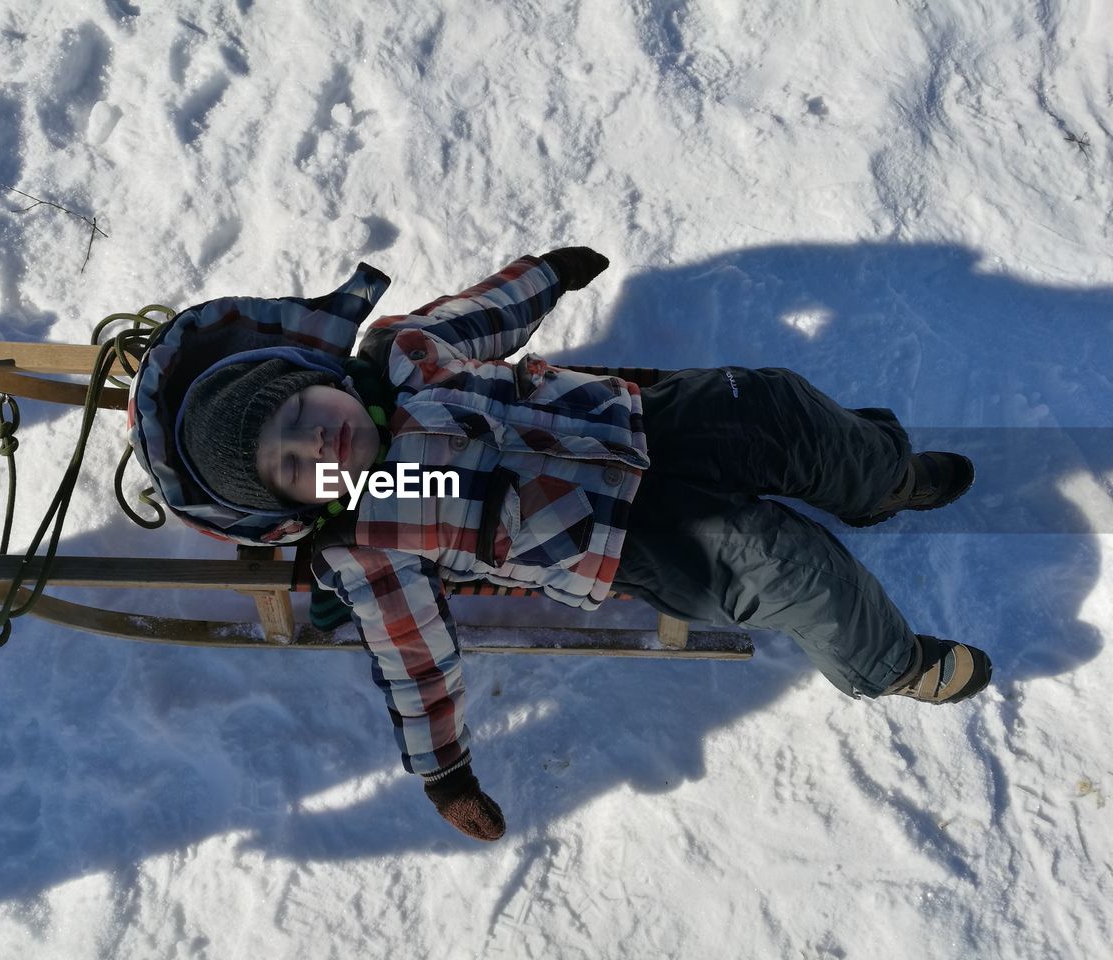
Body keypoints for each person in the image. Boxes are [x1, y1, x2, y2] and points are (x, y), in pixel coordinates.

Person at [159, 247, 992, 842]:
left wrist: (544, 277)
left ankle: (881, 477)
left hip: (643, 420)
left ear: (319, 383)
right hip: (633, 540)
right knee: (789, 567)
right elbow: (416, 662)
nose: (322, 449)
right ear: (291, 505)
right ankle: (891, 662)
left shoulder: (407, 357)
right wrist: (443, 773)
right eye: (294, 467)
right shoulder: (369, 534)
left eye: (307, 420)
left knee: (777, 406)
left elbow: (481, 316)